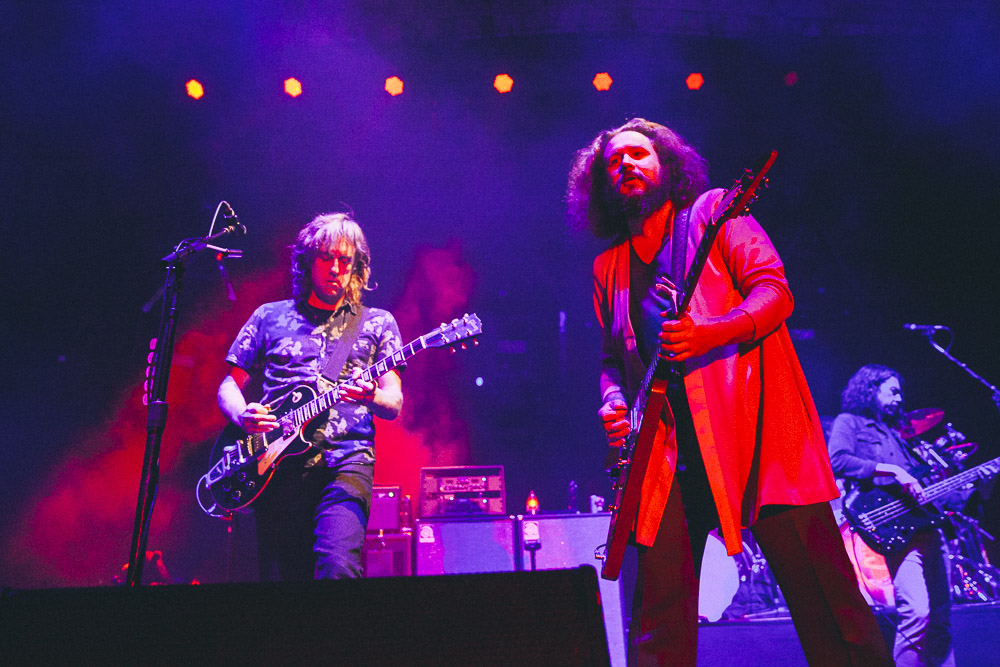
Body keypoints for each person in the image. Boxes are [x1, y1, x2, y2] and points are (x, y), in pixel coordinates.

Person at [567, 118, 891, 666]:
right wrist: (612, 401)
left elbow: (775, 292)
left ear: (666, 165)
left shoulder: (716, 213)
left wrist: (708, 332)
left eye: (638, 154)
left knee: (829, 603)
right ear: (601, 185)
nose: (625, 165)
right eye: (613, 162)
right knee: (656, 621)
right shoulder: (609, 268)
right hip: (668, 455)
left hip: (758, 432)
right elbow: (612, 363)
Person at [217, 212, 404, 581]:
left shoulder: (376, 323)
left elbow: (393, 401)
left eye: (345, 260)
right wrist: (243, 416)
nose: (336, 268)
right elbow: (228, 385)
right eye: (326, 257)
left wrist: (370, 396)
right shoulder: (268, 317)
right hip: (274, 467)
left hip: (345, 462)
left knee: (337, 568)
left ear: (357, 267)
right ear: (307, 260)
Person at [829, 364, 955, 666]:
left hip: (927, 523)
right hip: (894, 525)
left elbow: (919, 480)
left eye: (901, 392)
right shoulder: (850, 422)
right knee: (917, 610)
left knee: (941, 615)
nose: (900, 398)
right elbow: (837, 459)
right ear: (871, 390)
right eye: (893, 391)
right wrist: (894, 471)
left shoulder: (897, 434)